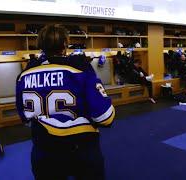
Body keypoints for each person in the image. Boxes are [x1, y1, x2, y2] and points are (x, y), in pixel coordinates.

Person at [15, 24, 115, 180]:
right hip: (81, 150)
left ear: (41, 45)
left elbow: (25, 119)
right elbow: (105, 117)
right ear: (64, 45)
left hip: (43, 151)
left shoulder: (24, 75)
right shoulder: (80, 70)